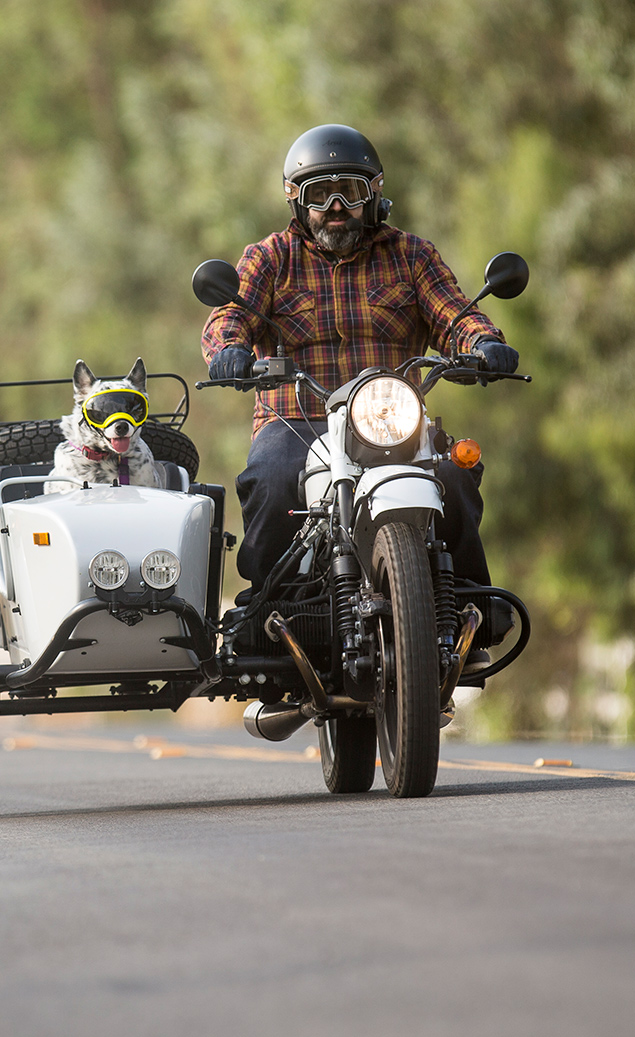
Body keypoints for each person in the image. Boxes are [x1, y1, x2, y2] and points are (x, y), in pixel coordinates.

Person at [200, 124, 517, 669]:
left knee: (457, 475)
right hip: (298, 421)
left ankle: (468, 607)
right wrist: (229, 349)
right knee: (273, 476)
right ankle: (266, 611)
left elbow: (454, 313)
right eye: (320, 195)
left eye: (349, 190)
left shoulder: (412, 256)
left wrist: (484, 343)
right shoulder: (270, 258)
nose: (336, 207)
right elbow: (229, 317)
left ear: (375, 195)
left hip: (395, 426)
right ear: (297, 202)